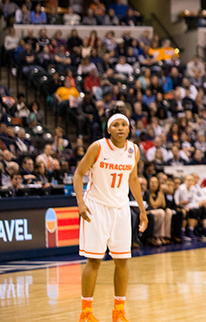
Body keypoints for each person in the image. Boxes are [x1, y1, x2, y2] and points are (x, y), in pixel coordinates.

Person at [73, 108, 147, 322]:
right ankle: (86, 313)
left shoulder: (133, 150)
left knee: (122, 260)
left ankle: (118, 312)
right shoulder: (98, 147)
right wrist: (80, 202)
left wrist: (142, 209)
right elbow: (78, 174)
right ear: (108, 129)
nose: (120, 128)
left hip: (121, 208)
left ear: (129, 128)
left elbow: (133, 180)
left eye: (123, 124)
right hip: (96, 207)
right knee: (94, 261)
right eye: (115, 125)